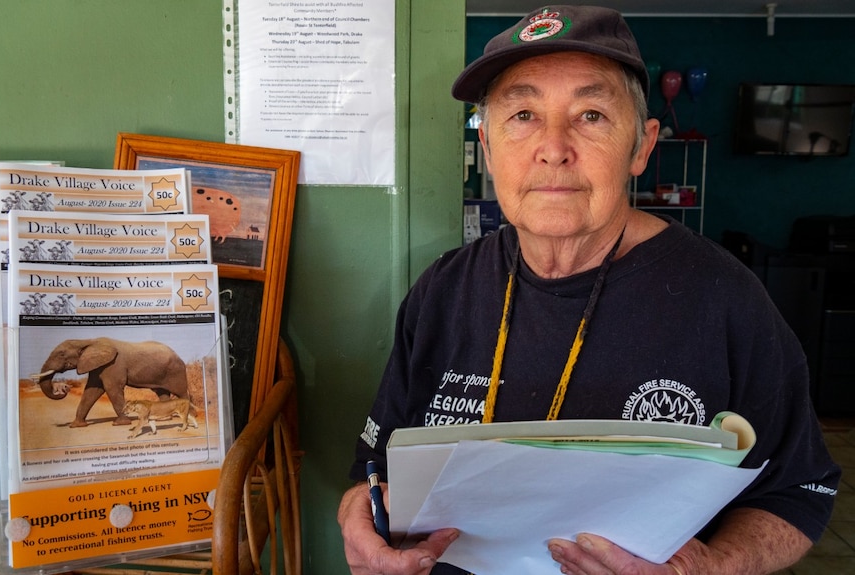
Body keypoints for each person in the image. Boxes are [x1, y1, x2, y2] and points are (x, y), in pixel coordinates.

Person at [337, 5, 840, 574]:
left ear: (641, 147)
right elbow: (375, 469)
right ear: (486, 147)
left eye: (591, 115)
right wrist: (359, 517)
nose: (553, 147)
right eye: (523, 114)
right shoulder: (443, 290)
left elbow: (800, 493)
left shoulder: (726, 299)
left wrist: (710, 567)